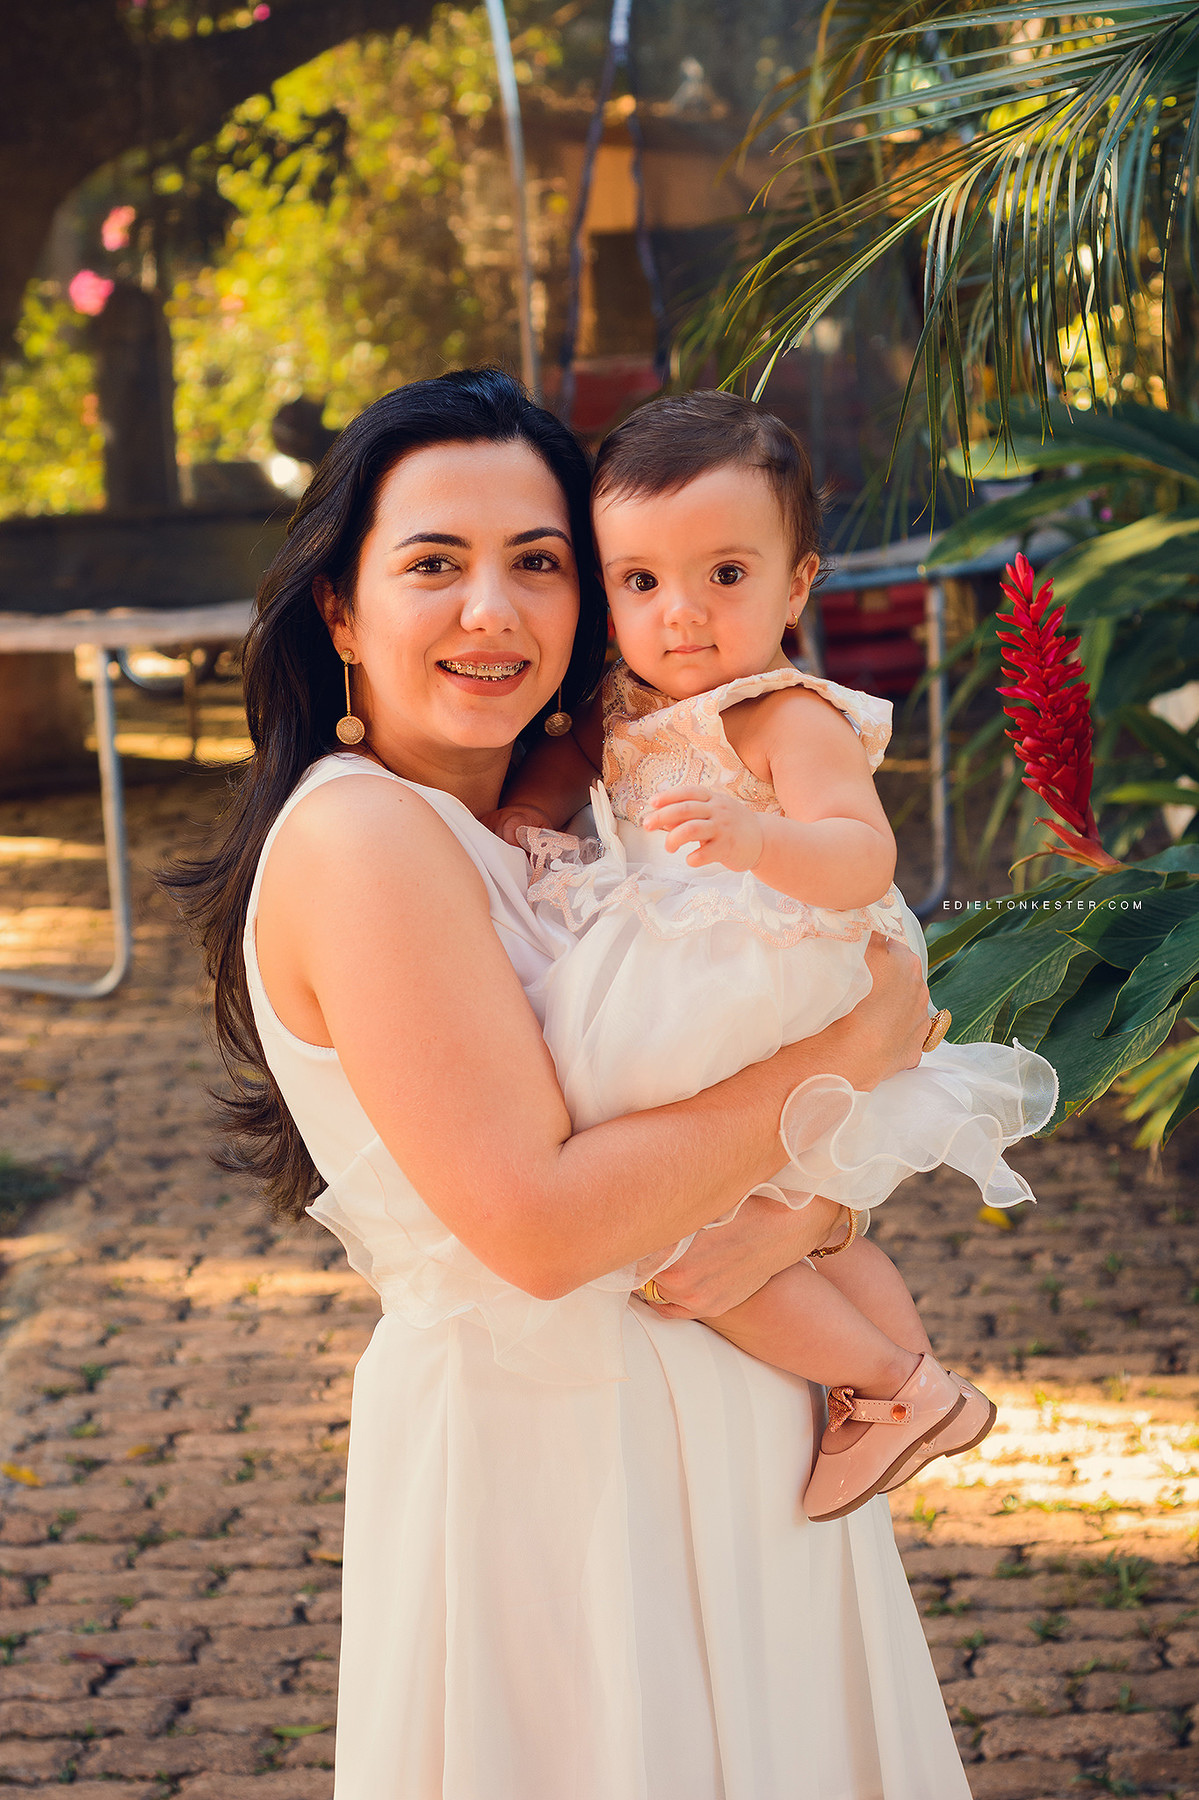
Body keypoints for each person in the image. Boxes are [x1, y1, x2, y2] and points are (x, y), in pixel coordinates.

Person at [168, 368, 973, 1799]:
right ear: (341, 614)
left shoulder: (568, 818)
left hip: (724, 1437)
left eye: (537, 565)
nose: (494, 610)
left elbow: (692, 1111)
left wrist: (803, 1219)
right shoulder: (364, 839)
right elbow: (541, 1228)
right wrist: (847, 1052)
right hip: (555, 1481)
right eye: (433, 566)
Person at [493, 390, 1058, 1522]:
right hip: (690, 976)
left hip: (772, 967)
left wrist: (760, 839)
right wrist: (523, 832)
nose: (680, 616)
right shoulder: (618, 704)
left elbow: (860, 854)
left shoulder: (779, 714)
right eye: (640, 582)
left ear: (798, 584)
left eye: (726, 577)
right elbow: (557, 789)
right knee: (767, 1203)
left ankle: (887, 1385)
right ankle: (913, 1384)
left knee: (675, 1220)